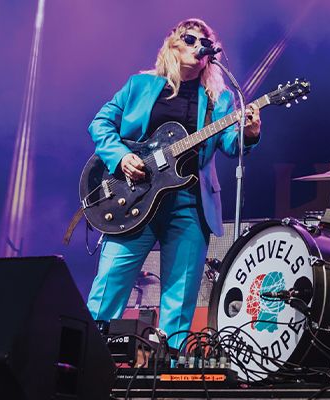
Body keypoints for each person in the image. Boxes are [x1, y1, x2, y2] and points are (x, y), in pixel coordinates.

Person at [85, 18, 261, 350]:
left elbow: (229, 144)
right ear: (173, 44)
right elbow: (101, 123)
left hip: (189, 204)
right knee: (110, 283)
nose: (198, 46)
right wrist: (121, 157)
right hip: (134, 198)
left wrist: (249, 135)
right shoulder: (140, 85)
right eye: (190, 39)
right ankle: (89, 355)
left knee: (179, 299)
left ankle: (169, 363)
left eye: (204, 42)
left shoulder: (219, 100)